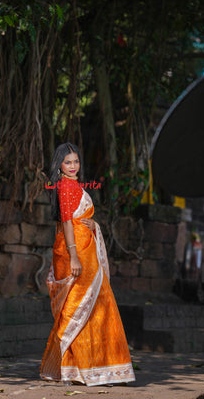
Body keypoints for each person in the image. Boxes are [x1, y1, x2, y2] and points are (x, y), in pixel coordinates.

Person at [40, 142, 135, 386]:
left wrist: (93, 225)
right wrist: (73, 256)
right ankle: (77, 368)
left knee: (98, 305)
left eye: (76, 161)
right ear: (59, 165)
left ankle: (94, 368)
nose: (73, 166)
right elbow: (68, 222)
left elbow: (77, 219)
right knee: (77, 307)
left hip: (86, 247)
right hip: (77, 252)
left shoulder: (73, 186)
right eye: (68, 162)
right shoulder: (65, 186)